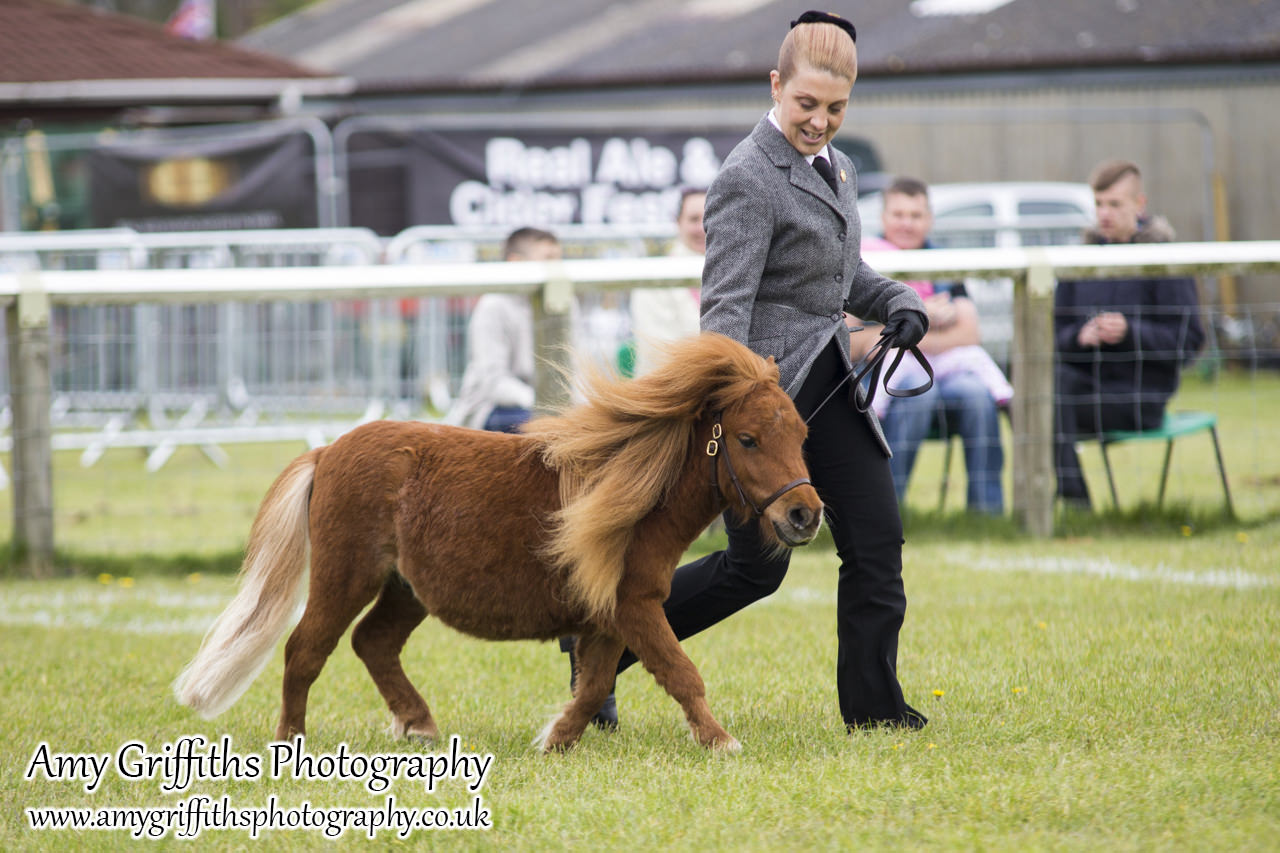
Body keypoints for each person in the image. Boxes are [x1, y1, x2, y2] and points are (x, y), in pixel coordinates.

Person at [575, 11, 931, 731]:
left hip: (826, 392)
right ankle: (598, 646)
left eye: (836, 108)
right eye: (806, 104)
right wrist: (738, 409)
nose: (819, 121)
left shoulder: (842, 167)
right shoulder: (745, 178)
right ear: (776, 85)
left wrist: (896, 301)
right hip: (759, 413)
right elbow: (724, 313)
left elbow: (839, 273)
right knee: (756, 570)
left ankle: (875, 711)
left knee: (877, 541)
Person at [1053, 159, 1205, 508]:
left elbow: (1190, 342)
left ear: (1139, 204)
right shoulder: (1079, 262)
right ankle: (1075, 499)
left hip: (1139, 397)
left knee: (1047, 405)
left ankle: (1072, 504)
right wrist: (1081, 337)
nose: (1104, 213)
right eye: (1099, 204)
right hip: (1081, 388)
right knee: (1033, 392)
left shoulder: (1165, 261)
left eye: (1114, 204)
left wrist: (1130, 332)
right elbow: (1054, 338)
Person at [868, 177, 1011, 514]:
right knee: (920, 394)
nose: (906, 223)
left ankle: (987, 514)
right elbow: (856, 339)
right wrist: (925, 317)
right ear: (883, 218)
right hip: (885, 376)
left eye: (915, 215)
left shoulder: (943, 262)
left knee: (977, 394)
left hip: (946, 371)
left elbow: (969, 334)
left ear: (929, 220)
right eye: (899, 214)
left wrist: (902, 331)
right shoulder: (867, 262)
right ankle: (885, 511)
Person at [444, 227, 561, 433]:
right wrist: (546, 404)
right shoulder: (493, 305)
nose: (557, 266)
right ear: (515, 262)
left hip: (545, 406)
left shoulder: (563, 304)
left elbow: (574, 369)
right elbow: (494, 382)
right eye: (548, 258)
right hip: (488, 410)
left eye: (558, 258)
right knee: (545, 427)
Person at [629, 187, 707, 376]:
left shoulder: (735, 270)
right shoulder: (655, 279)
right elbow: (659, 351)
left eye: (708, 217)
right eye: (693, 219)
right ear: (678, 222)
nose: (702, 227)